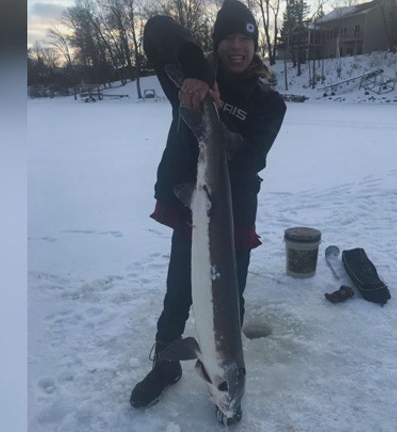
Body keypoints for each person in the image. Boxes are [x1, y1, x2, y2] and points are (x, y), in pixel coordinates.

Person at [130, 0, 286, 423]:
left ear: (255, 45)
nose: (237, 47)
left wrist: (214, 121)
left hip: (231, 213)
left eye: (245, 38)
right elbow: (157, 29)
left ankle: (228, 378)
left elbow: (251, 158)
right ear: (217, 43)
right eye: (228, 38)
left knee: (229, 301)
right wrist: (197, 75)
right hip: (193, 205)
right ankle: (165, 365)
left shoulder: (270, 102)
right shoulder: (195, 79)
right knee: (178, 291)